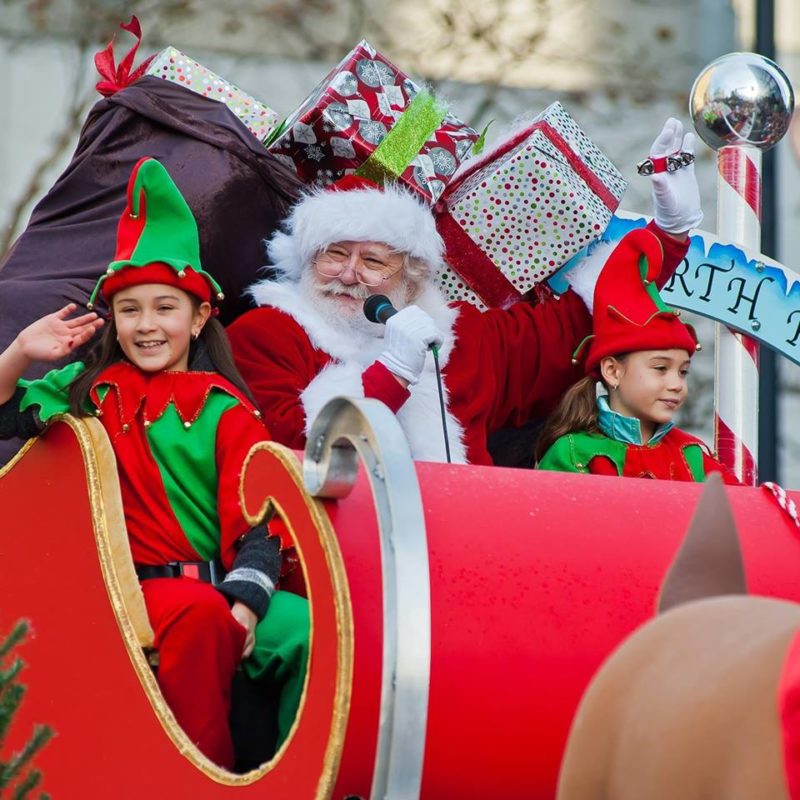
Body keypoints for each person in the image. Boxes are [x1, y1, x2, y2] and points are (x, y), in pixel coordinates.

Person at [0, 157, 309, 770]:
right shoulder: (84, 390)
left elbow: (261, 523)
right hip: (112, 589)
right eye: (130, 309)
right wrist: (17, 354)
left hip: (221, 587)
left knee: (316, 630)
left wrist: (244, 607)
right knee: (197, 617)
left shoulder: (230, 413)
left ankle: (298, 774)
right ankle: (201, 775)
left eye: (165, 307)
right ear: (111, 319)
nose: (146, 325)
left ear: (198, 317)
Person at [227, 119, 702, 465]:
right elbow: (285, 450)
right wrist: (389, 374)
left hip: (466, 554)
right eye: (334, 254)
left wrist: (669, 234)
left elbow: (583, 319)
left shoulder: (463, 339)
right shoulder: (268, 332)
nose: (349, 274)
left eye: (373, 261)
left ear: (410, 280)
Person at [536, 227, 739, 484]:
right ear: (612, 371)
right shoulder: (571, 454)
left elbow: (747, 516)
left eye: (683, 371)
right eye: (660, 368)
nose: (676, 384)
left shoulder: (694, 457)